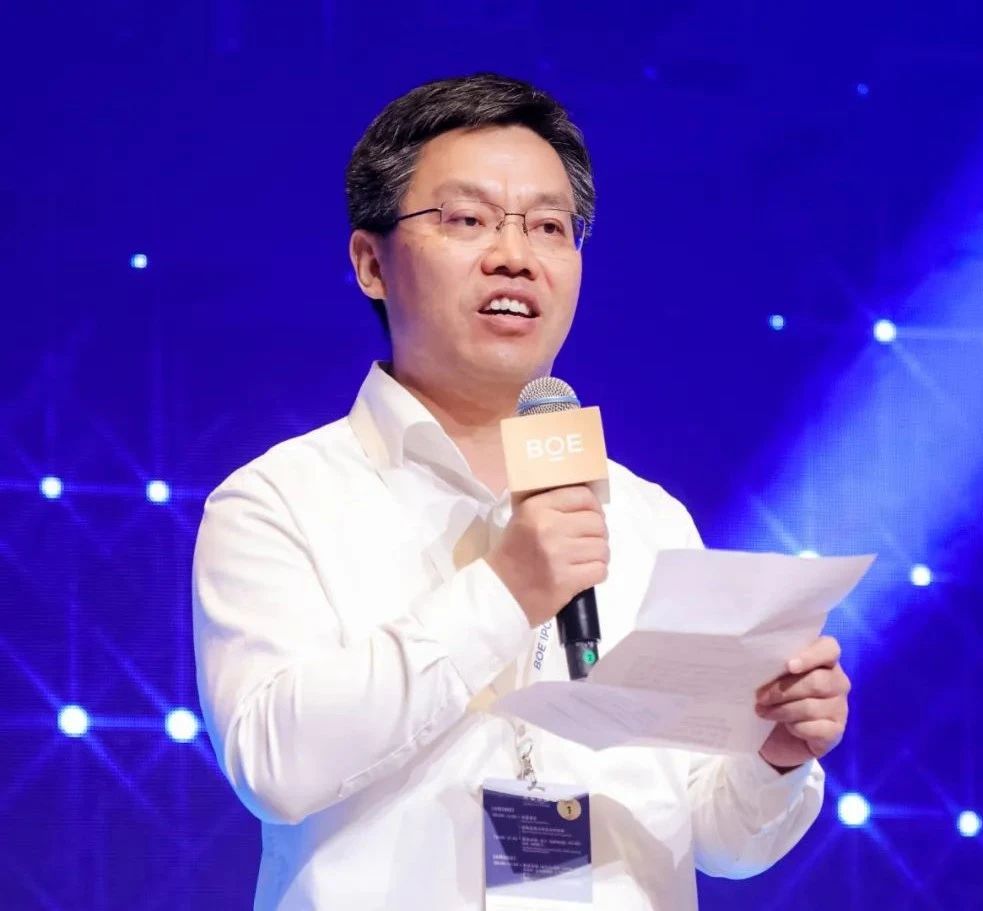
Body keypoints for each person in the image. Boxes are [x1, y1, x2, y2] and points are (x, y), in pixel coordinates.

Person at [192, 73, 851, 910]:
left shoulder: (647, 517)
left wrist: (773, 753)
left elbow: (721, 837)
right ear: (371, 262)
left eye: (548, 226)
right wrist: (506, 590)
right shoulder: (278, 501)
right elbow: (274, 765)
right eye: (467, 219)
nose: (515, 255)